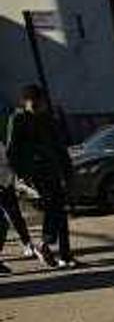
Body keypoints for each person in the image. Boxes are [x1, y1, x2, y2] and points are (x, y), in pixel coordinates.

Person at [6, 84, 74, 268]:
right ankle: (47, 245)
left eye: (39, 104)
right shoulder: (18, 119)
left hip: (52, 170)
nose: (37, 107)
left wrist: (68, 172)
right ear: (24, 103)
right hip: (33, 174)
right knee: (53, 207)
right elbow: (12, 150)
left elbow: (59, 147)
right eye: (33, 105)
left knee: (59, 209)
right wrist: (20, 175)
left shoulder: (48, 119)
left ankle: (64, 254)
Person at [0, 140, 35, 274]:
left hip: (6, 183)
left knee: (14, 217)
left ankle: (27, 243)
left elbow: (7, 162)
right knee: (3, 223)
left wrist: (13, 180)